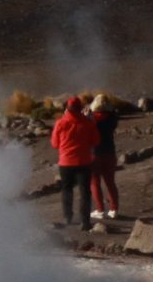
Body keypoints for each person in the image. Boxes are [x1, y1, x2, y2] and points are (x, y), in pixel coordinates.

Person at [50, 95, 99, 229]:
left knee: (67, 190)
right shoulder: (88, 123)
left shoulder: (60, 123)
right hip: (83, 161)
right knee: (84, 192)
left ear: (67, 109)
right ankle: (85, 221)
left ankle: (67, 217)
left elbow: (54, 144)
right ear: (81, 109)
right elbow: (95, 141)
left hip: (66, 162)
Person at [87, 93, 123, 224]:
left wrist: (86, 115)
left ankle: (100, 210)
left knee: (94, 182)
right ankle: (114, 210)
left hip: (94, 153)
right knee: (110, 182)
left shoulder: (92, 118)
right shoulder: (112, 118)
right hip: (109, 152)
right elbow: (114, 114)